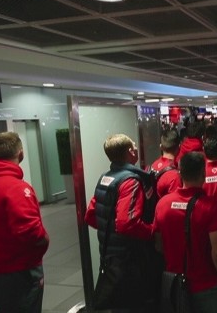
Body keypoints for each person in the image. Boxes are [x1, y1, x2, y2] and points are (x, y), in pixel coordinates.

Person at [0, 132, 49, 313]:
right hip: (17, 271)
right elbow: (31, 234)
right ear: (21, 153)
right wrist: (43, 244)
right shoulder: (15, 188)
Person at [84, 133, 156, 310]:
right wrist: (151, 230)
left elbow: (91, 215)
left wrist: (110, 232)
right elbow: (126, 223)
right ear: (130, 152)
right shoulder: (130, 181)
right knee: (132, 303)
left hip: (109, 255)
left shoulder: (105, 178)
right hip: (129, 257)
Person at [153, 152, 217, 312]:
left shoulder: (162, 204)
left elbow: (159, 245)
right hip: (206, 284)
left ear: (180, 173)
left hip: (174, 282)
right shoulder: (211, 206)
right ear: (203, 173)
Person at [149, 129, 180, 199]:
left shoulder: (152, 165)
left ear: (161, 147)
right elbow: (173, 202)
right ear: (179, 147)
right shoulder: (174, 176)